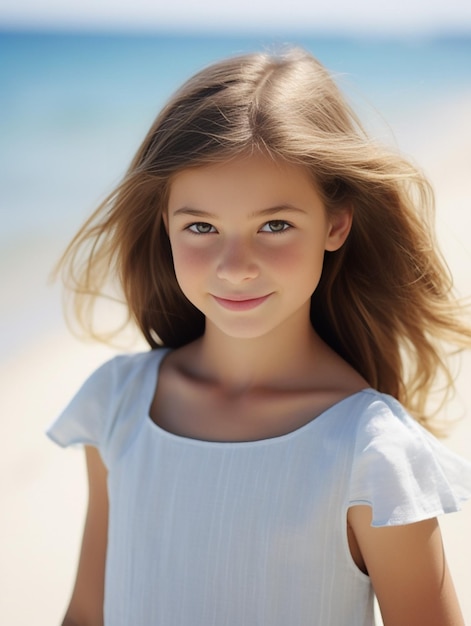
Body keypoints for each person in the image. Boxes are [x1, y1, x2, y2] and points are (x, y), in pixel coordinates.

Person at [48, 48, 471, 626]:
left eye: (274, 225)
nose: (236, 265)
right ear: (164, 226)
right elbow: (85, 615)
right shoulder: (116, 404)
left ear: (336, 223)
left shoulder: (374, 455)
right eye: (201, 227)